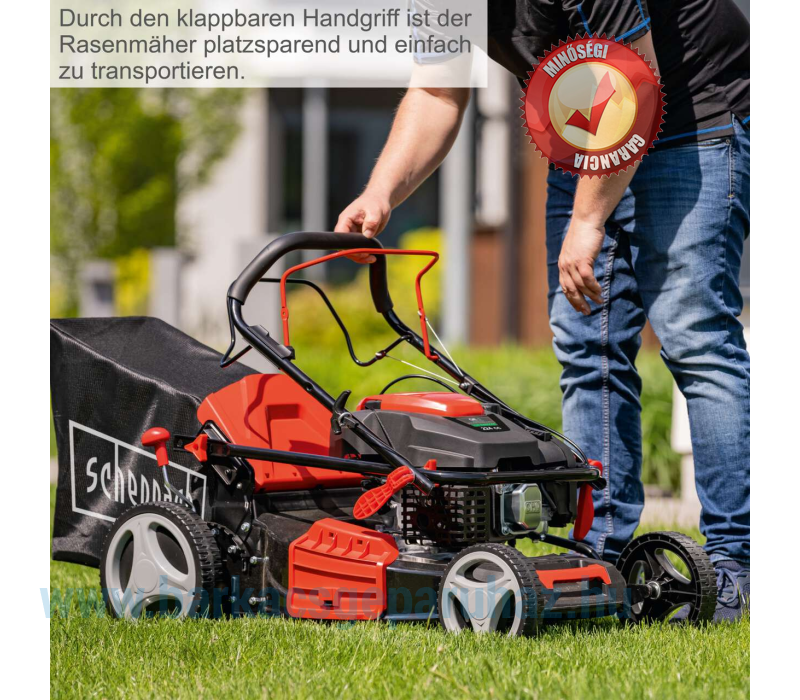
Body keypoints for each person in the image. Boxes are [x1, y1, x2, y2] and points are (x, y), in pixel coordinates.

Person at [335, 0, 749, 621]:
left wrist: (587, 220)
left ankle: (735, 566)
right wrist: (381, 191)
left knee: (695, 339)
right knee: (588, 348)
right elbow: (438, 90)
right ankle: (600, 552)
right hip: (589, 130)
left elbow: (632, 79)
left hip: (694, 116)